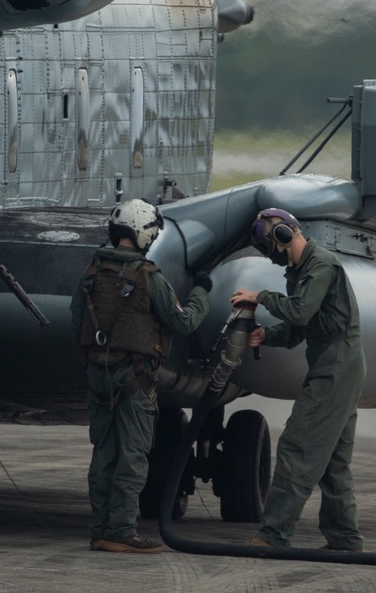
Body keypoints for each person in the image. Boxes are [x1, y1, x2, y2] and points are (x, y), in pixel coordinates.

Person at [70, 199, 212, 554]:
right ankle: (121, 530)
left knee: (103, 453)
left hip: (98, 377)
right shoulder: (150, 278)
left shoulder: (91, 272)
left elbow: (76, 321)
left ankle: (100, 528)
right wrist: (201, 294)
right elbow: (183, 322)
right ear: (145, 233)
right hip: (134, 379)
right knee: (133, 456)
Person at [230, 208, 366, 552]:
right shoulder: (300, 270)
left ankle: (273, 535)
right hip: (335, 362)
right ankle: (345, 540)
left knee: (298, 446)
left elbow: (300, 310)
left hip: (336, 365)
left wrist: (259, 296)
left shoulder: (321, 264)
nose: (269, 255)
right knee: (333, 460)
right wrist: (266, 336)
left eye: (268, 246)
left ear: (283, 236)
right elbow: (298, 328)